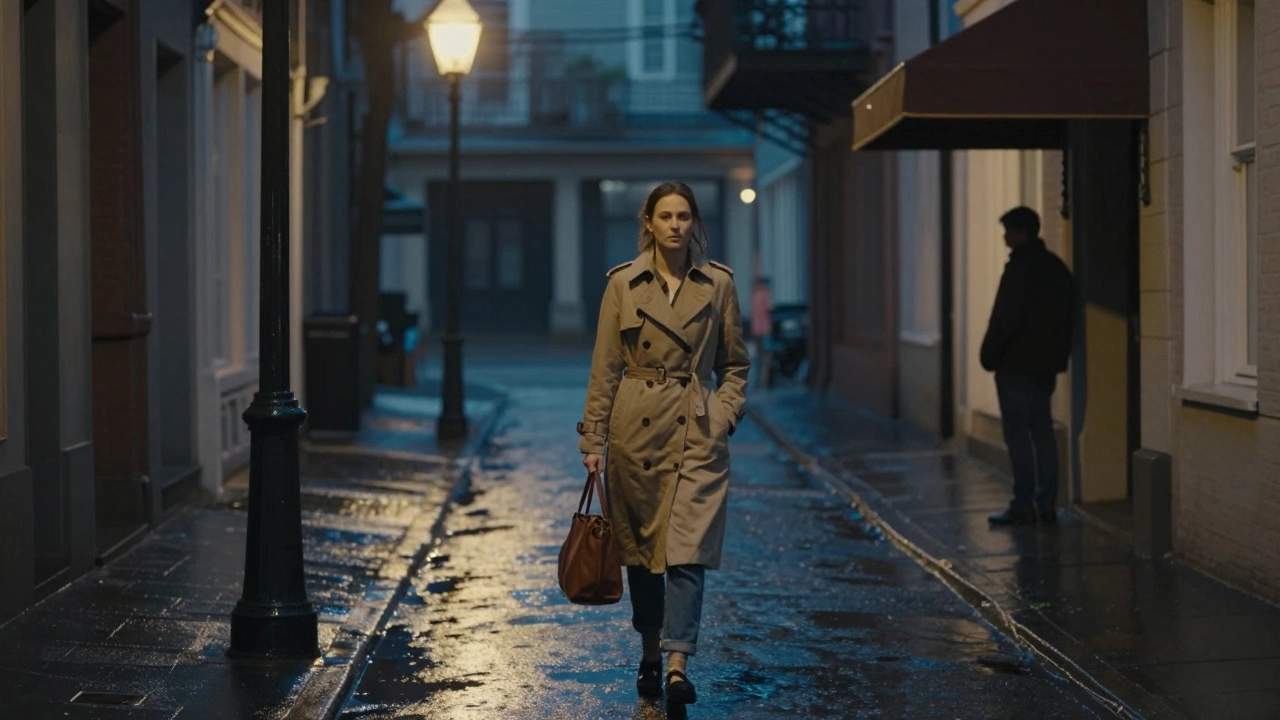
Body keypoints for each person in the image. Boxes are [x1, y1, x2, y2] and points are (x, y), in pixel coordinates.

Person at [577, 181, 750, 705]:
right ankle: (650, 649)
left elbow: (735, 364)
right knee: (642, 555)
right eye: (665, 216)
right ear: (648, 222)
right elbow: (605, 367)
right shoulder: (624, 284)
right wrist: (594, 439)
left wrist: (722, 414)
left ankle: (677, 665)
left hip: (696, 429)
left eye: (684, 216)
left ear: (694, 223)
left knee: (687, 551)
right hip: (637, 430)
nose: (675, 225)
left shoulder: (718, 284)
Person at [981, 206, 1073, 527]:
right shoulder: (1056, 268)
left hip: (1016, 367)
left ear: (1022, 232)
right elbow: (1067, 319)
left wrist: (988, 355)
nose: (1005, 237)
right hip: (1044, 368)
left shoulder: (1019, 270)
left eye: (1008, 231)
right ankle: (1046, 503)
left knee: (1018, 436)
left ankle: (1023, 504)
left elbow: (1004, 320)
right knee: (1043, 432)